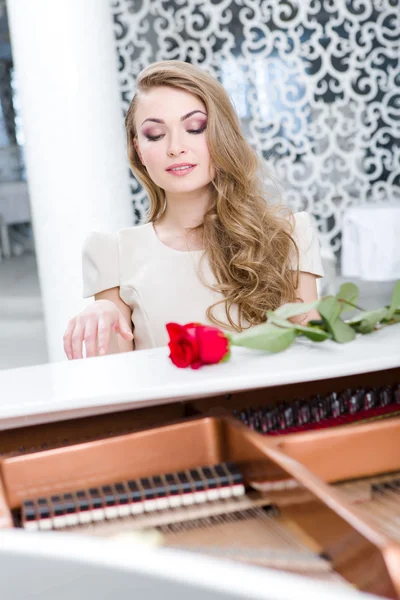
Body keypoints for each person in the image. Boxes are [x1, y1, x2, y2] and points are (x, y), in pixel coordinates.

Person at [63, 60, 323, 361]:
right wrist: (105, 314)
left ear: (222, 135)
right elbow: (123, 378)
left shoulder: (287, 235)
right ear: (138, 149)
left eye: (195, 128)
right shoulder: (113, 253)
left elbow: (311, 355)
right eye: (155, 134)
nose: (176, 147)